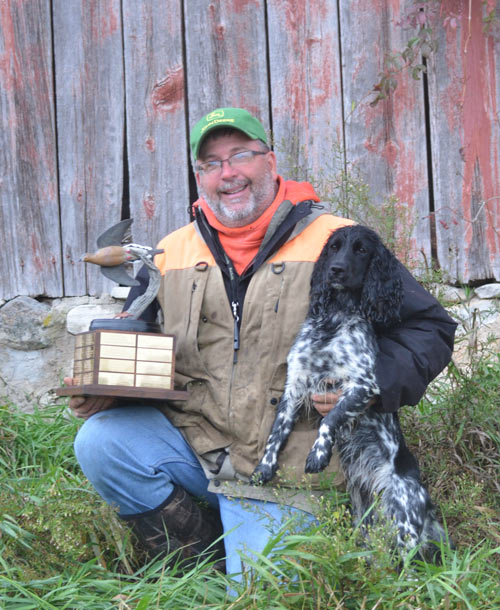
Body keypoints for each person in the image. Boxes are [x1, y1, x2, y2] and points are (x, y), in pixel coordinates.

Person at [66, 107, 457, 579]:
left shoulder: (336, 242)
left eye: (240, 156)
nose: (227, 173)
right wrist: (107, 384)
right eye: (211, 163)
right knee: (103, 441)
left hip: (289, 467)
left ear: (269, 162)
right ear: (199, 177)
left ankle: (247, 551)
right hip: (200, 445)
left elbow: (428, 327)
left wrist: (369, 384)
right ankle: (200, 564)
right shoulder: (172, 253)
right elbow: (141, 339)